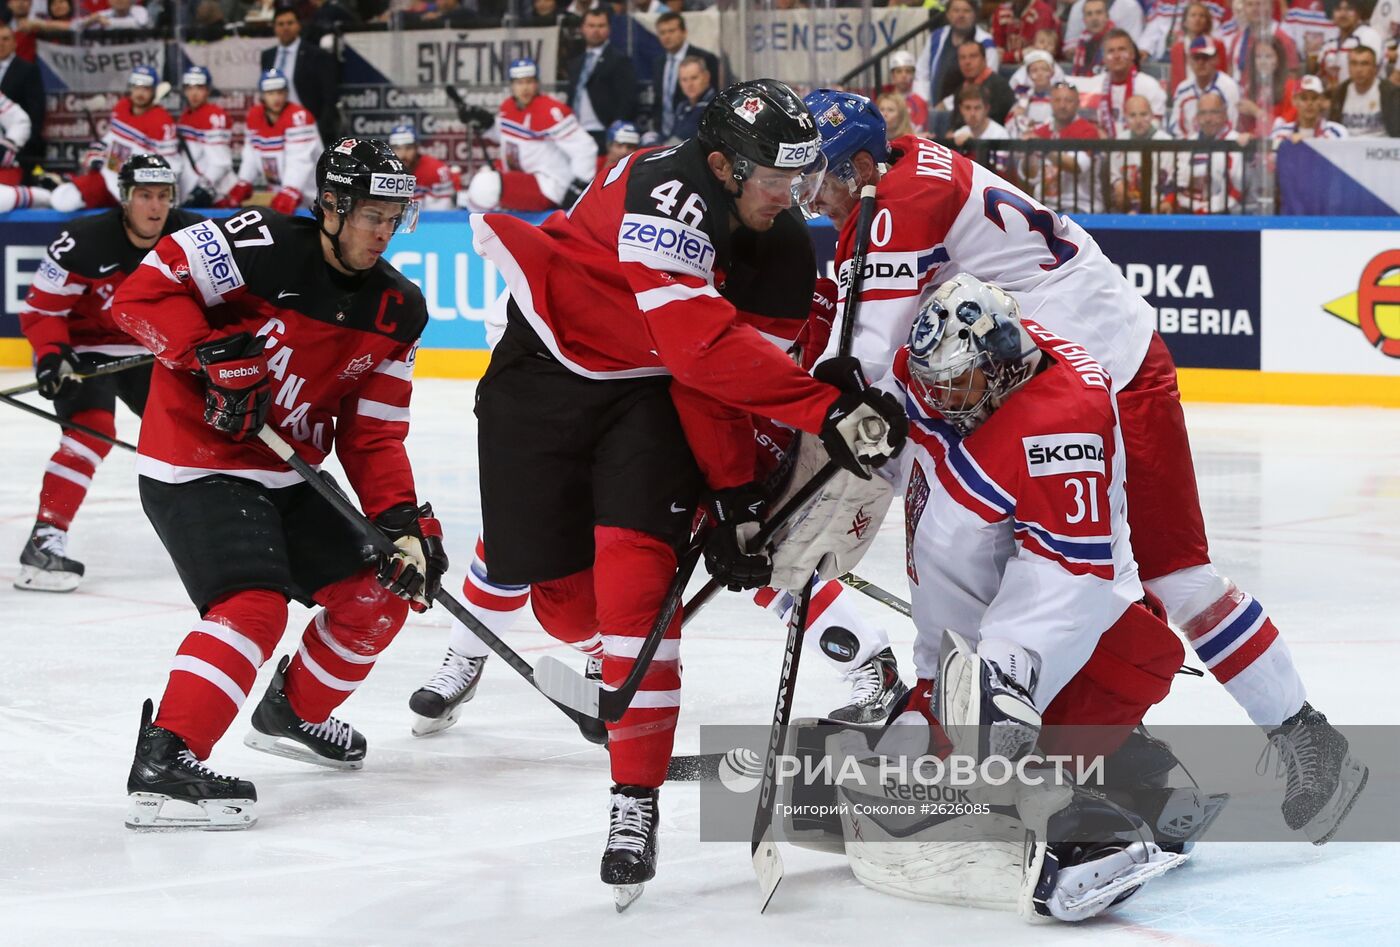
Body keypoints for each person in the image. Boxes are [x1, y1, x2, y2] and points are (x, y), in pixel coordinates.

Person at [803, 88, 1368, 846]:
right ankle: (1113, 753)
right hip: (1038, 388)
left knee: (1172, 576)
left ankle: (1305, 736)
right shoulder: (893, 188)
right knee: (1030, 575)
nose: (813, 196)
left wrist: (796, 469)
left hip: (1107, 372)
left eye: (822, 178)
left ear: (863, 165)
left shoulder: (899, 205)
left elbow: (865, 366)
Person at [467, 79, 907, 901]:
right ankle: (609, 660)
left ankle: (632, 801)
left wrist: (738, 499)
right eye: (777, 181)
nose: (794, 200)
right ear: (721, 165)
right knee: (565, 607)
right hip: (547, 373)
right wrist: (825, 409)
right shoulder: (664, 191)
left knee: (637, 587)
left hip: (650, 397)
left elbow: (716, 385)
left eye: (800, 180)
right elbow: (703, 348)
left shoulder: (778, 247)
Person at [113, 138, 441, 831]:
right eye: (370, 214)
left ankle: (293, 711)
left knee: (381, 592)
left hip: (286, 471)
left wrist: (402, 520)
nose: (383, 231)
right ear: (330, 205)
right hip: (196, 460)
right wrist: (206, 352)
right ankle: (165, 759)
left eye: (394, 216)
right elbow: (140, 294)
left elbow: (373, 434)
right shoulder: (257, 241)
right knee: (253, 607)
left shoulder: (398, 309)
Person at [838, 274, 1189, 922]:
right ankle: (1117, 764)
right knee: (913, 764)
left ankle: (1126, 800)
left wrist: (1001, 675)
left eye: (955, 387)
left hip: (1092, 646)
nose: (938, 399)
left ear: (1001, 368)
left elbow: (1067, 579)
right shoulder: (954, 370)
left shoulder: (1061, 424)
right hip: (989, 642)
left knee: (982, 773)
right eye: (931, 382)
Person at [14, 155, 200, 592]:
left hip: (152, 348)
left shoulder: (192, 236)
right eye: (144, 196)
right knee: (90, 430)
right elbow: (42, 310)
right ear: (124, 198)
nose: (155, 207)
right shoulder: (82, 241)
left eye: (163, 196)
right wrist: (51, 356)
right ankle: (45, 541)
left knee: (201, 428)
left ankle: (233, 530)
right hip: (86, 350)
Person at [459, 58, 597, 213]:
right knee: (482, 178)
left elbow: (585, 147)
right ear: (511, 85)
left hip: (548, 186)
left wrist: (578, 185)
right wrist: (486, 124)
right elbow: (508, 138)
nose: (525, 88)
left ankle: (472, 230)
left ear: (537, 83)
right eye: (519, 83)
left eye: (529, 81)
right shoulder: (508, 106)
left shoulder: (551, 111)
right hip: (523, 179)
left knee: (485, 185)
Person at [49, 65, 177, 213]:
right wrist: (98, 152)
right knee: (62, 199)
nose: (140, 93)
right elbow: (110, 141)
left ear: (154, 90)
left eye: (146, 88)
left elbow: (171, 166)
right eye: (136, 87)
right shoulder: (121, 108)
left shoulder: (162, 121)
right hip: (108, 177)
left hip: (137, 189)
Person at [219, 69, 322, 213]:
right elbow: (251, 154)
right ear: (262, 95)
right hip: (280, 192)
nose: (276, 98)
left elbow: (300, 160)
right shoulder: (254, 116)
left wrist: (290, 190)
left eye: (280, 92)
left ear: (286, 93)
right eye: (270, 93)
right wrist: (243, 181)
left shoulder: (299, 117)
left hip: (311, 192)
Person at [259, 3, 339, 144]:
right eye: (280, 24)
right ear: (275, 28)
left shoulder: (316, 55)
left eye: (290, 23)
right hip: (278, 127)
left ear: (299, 25)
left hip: (308, 127)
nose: (285, 28)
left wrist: (320, 128)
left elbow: (329, 96)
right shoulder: (267, 56)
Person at [915, 0, 1000, 128]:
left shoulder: (986, 43)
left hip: (967, 116)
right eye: (956, 10)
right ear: (948, 14)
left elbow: (986, 80)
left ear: (975, 14)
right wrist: (925, 102)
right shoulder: (936, 37)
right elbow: (921, 73)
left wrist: (948, 104)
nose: (961, 15)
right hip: (931, 111)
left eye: (966, 11)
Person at [1022, 82, 1103, 213]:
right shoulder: (1040, 132)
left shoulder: (1088, 131)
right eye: (1057, 100)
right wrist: (1027, 151)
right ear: (1050, 103)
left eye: (1068, 101)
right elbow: (1031, 176)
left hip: (1080, 206)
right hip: (1043, 206)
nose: (1062, 105)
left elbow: (1077, 166)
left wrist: (1043, 147)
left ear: (1077, 104)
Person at [565, 9, 638, 153]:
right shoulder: (576, 62)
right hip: (576, 132)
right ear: (583, 29)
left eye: (601, 26)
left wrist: (616, 133)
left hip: (603, 132)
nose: (596, 30)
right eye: (591, 26)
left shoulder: (619, 60)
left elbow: (628, 99)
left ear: (609, 29)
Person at [650, 11, 721, 139]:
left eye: (671, 31)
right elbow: (659, 100)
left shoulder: (706, 58)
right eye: (662, 32)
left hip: (696, 133)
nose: (667, 36)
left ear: (684, 32)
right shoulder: (658, 62)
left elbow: (715, 95)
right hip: (665, 133)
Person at [1087, 29, 1168, 135]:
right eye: (1111, 51)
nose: (1116, 56)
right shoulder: (1093, 86)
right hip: (1104, 149)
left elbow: (1156, 128)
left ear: (1132, 54)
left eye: (1121, 49)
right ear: (1104, 58)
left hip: (1142, 148)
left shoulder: (1150, 86)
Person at [175, 65, 234, 209]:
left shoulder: (214, 115)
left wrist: (202, 188)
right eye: (189, 88)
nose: (194, 93)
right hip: (192, 189)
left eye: (199, 87)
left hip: (216, 193)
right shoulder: (185, 116)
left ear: (207, 90)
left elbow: (221, 163)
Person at [1109, 93, 1177, 212]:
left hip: (1159, 207)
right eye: (1133, 115)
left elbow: (1170, 181)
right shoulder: (1119, 141)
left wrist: (1164, 204)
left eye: (1143, 114)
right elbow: (1115, 177)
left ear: (1151, 115)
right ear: (1125, 117)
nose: (1138, 120)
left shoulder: (1166, 141)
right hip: (1128, 207)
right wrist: (1119, 187)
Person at [1170, 36, 1242, 137]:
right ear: (1189, 61)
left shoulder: (1228, 87)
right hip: (1188, 147)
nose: (1201, 63)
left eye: (1206, 58)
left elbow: (1231, 125)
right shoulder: (1182, 89)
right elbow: (1175, 127)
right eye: (1196, 58)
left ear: (1216, 59)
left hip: (1221, 146)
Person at [939, 40, 1015, 129]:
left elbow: (992, 127)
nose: (967, 62)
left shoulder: (1000, 88)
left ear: (984, 60)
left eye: (973, 56)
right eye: (962, 58)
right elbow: (955, 125)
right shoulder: (960, 89)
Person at [1329, 44, 1400, 135]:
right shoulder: (1340, 92)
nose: (1359, 69)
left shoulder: (1391, 93)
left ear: (1375, 68)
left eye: (1364, 64)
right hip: (1347, 146)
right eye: (1354, 63)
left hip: (1380, 146)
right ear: (1348, 67)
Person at [1237, 36, 1301, 136]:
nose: (1263, 62)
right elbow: (1244, 129)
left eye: (1268, 56)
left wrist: (1256, 111)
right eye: (1258, 56)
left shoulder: (1292, 87)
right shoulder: (1250, 89)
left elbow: (1286, 127)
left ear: (1279, 60)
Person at [388, 122, 458, 210]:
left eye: (408, 148)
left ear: (417, 148)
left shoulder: (435, 170)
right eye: (397, 148)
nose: (403, 154)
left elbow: (440, 215)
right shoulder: (384, 172)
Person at [1226, 0, 1302, 79]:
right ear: (1244, 8)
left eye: (1259, 4)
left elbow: (1292, 76)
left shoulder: (1283, 39)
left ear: (1271, 7)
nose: (1255, 9)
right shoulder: (1237, 39)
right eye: (1250, 4)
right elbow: (1230, 71)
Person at [1319, 0, 1385, 86]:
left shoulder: (1369, 36)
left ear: (1359, 13)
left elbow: (1369, 73)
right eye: (1338, 9)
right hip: (1336, 96)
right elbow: (1321, 74)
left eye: (1349, 9)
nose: (1343, 14)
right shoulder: (1329, 41)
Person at [1004, 49, 1060, 137]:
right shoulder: (1022, 99)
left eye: (1044, 69)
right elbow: (1010, 124)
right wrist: (1024, 122)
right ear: (1029, 75)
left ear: (1051, 73)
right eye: (1034, 70)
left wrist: (1039, 131)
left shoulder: (1059, 98)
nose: (1039, 74)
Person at [1273, 73, 1348, 138]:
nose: (1309, 103)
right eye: (1304, 98)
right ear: (1294, 101)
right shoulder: (1280, 134)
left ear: (1321, 100)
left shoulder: (1337, 133)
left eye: (1314, 98)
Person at [992, 0, 1060, 65]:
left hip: (1039, 67)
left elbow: (1041, 53)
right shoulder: (1001, 10)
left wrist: (1008, 57)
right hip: (1008, 65)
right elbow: (997, 54)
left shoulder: (1042, 10)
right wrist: (1019, 54)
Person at [669, 55, 714, 143]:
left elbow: (677, 143)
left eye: (694, 78)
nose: (689, 84)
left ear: (706, 77)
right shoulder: (682, 106)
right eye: (684, 80)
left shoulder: (712, 106)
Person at [885, 50, 929, 134]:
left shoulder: (920, 102)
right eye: (899, 71)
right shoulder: (885, 102)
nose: (904, 75)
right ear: (893, 75)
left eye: (908, 71)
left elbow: (921, 130)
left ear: (913, 75)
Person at [1070, 0, 1115, 76]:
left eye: (1099, 12)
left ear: (1107, 17)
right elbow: (1076, 74)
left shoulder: (1116, 39)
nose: (1094, 18)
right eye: (1089, 14)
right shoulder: (1083, 39)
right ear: (1084, 20)